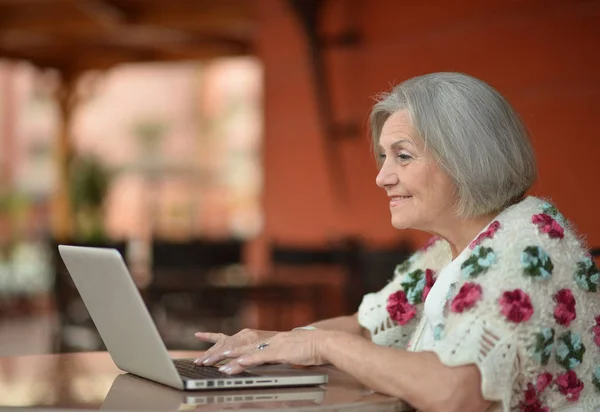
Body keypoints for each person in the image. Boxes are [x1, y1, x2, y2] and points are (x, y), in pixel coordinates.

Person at [193, 73, 600, 412]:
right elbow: (367, 329)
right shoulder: (449, 249)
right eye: (385, 157)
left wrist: (323, 344)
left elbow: (456, 391)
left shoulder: (529, 247)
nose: (382, 176)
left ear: (467, 158)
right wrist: (269, 342)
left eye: (402, 156)